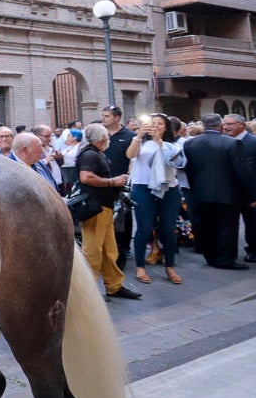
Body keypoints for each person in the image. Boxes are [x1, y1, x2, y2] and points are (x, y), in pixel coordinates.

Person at [77, 124, 142, 301]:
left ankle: (114, 285)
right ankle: (88, 291)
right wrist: (113, 182)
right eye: (107, 136)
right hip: (96, 208)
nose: (109, 139)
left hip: (104, 207)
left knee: (108, 250)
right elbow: (86, 177)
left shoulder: (94, 153)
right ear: (101, 138)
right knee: (93, 250)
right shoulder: (90, 154)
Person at [183, 113, 254, 270]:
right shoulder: (232, 143)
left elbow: (190, 171)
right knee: (227, 228)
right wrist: (251, 193)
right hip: (228, 193)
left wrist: (195, 189)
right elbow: (242, 171)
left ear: (203, 125)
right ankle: (225, 259)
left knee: (207, 226)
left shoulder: (191, 144)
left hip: (201, 193)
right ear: (220, 125)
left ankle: (210, 256)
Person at [124, 114, 185, 285]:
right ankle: (140, 266)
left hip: (168, 188)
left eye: (160, 124)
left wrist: (159, 141)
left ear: (166, 127)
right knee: (144, 227)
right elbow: (130, 155)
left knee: (167, 228)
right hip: (143, 187)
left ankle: (170, 266)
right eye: (152, 123)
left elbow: (174, 162)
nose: (156, 126)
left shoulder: (172, 145)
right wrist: (139, 135)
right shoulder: (141, 142)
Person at [222, 113, 256, 264]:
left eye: (230, 124)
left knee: (254, 224)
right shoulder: (224, 142)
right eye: (225, 124)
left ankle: (255, 250)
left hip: (252, 192)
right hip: (230, 192)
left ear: (241, 125)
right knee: (230, 225)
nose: (226, 127)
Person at [101, 106, 137, 269]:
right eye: (103, 115)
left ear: (117, 118)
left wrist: (128, 176)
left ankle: (124, 248)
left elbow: (134, 158)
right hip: (104, 182)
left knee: (124, 216)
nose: (104, 118)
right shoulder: (101, 134)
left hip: (122, 183)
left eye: (107, 116)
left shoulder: (129, 136)